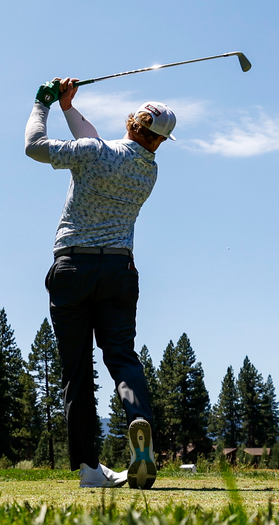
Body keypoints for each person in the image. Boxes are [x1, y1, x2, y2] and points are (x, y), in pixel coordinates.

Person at [23, 76, 176, 489]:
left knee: (77, 371)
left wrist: (44, 104)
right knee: (122, 358)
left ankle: (90, 469)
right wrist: (69, 107)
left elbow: (35, 147)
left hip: (73, 268)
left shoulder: (93, 154)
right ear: (159, 141)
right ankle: (138, 418)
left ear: (131, 123)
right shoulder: (149, 171)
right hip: (118, 274)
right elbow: (95, 142)